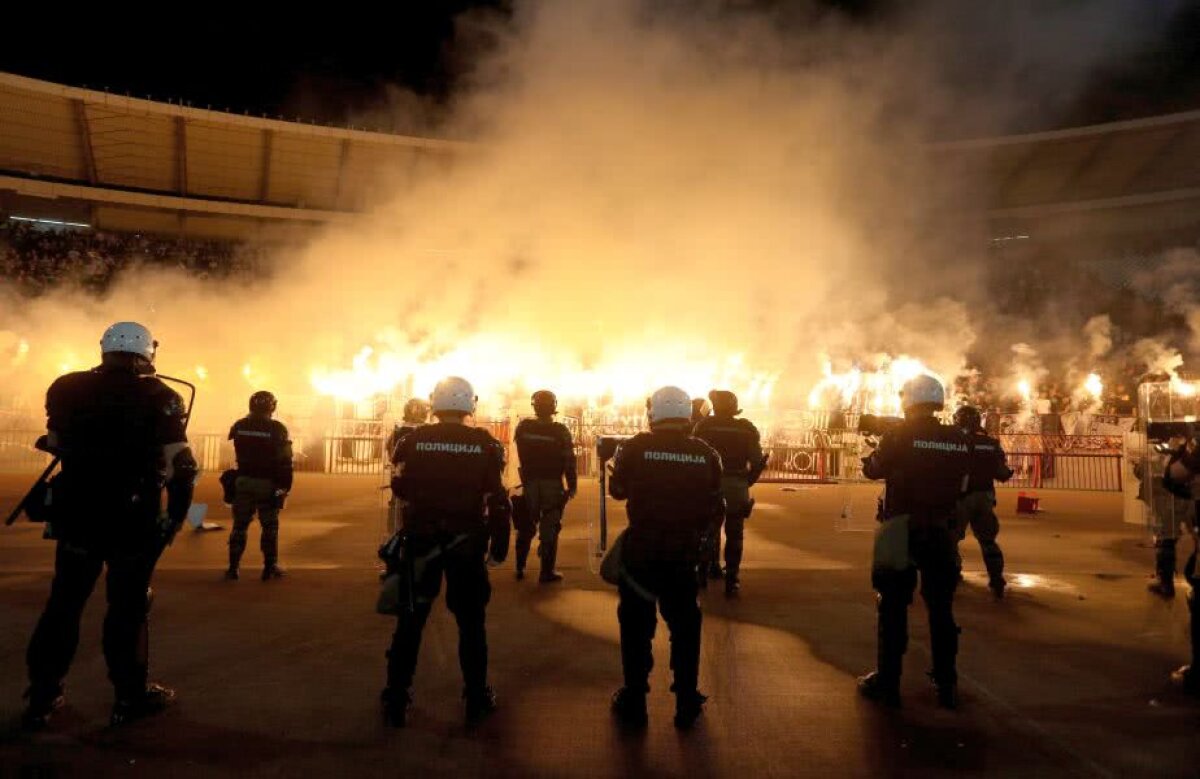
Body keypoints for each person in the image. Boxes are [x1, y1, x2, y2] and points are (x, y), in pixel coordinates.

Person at [22, 322, 197, 729]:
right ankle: (128, 696)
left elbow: (56, 441)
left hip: (77, 512)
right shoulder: (161, 396)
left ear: (104, 349)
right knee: (128, 607)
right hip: (132, 518)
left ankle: (42, 695)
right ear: (146, 352)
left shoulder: (66, 387)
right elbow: (182, 467)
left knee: (64, 603)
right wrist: (175, 517)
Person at [381, 377, 511, 726]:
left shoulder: (413, 440)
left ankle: (396, 696)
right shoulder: (485, 444)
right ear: (470, 404)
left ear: (433, 404)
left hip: (421, 540)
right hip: (465, 543)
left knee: (410, 621)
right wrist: (499, 546)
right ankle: (476, 696)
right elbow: (496, 498)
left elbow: (400, 485)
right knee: (471, 624)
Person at [608, 386, 723, 729]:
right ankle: (686, 700)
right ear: (687, 415)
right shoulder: (705, 453)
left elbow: (617, 492)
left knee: (635, 627)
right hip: (683, 554)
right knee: (686, 625)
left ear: (652, 413)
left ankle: (635, 700)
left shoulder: (635, 447)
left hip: (641, 551)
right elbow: (716, 504)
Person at [857, 374, 970, 709]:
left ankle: (888, 682)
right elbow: (963, 480)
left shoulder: (898, 435)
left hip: (900, 528)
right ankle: (946, 682)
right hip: (941, 529)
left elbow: (874, 470)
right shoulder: (957, 437)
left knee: (892, 606)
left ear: (908, 401)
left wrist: (870, 453)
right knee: (941, 608)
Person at [692, 390, 766, 597]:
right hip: (737, 486)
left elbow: (695, 456)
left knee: (708, 531)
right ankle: (732, 579)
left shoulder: (704, 427)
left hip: (710, 487)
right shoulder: (746, 429)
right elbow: (757, 462)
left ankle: (702, 574)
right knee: (735, 534)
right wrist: (746, 482)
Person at [226, 391, 293, 581]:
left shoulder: (239, 425)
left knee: (239, 526)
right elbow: (285, 461)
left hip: (244, 481)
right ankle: (269, 567)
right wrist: (284, 487)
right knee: (269, 526)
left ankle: (233, 568)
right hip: (267, 483)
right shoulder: (277, 429)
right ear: (272, 407)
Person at [512, 390, 577, 582]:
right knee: (550, 526)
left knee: (525, 526)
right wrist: (572, 486)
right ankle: (546, 572)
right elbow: (569, 461)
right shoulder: (560, 431)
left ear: (534, 405)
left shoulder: (523, 427)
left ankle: (520, 567)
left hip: (529, 483)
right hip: (551, 484)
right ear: (553, 406)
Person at [952, 406, 1013, 598]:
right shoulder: (991, 443)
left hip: (961, 498)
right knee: (988, 541)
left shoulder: (956, 441)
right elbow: (1002, 473)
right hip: (985, 497)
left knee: (950, 539)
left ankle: (952, 574)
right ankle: (997, 579)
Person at [386, 398, 430, 535]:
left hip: (402, 473)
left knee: (397, 503)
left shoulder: (399, 430)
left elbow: (390, 449)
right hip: (422, 476)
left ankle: (394, 535)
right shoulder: (429, 431)